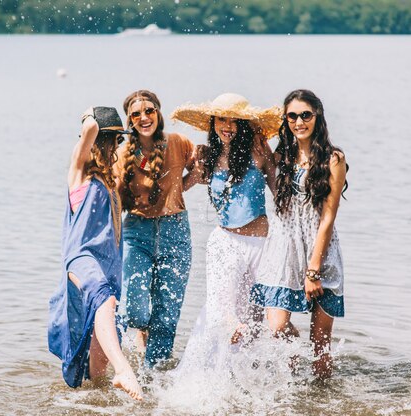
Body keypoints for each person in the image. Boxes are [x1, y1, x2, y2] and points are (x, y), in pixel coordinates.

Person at [170, 92, 281, 373]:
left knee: (255, 320)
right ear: (213, 123)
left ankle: (245, 378)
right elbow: (179, 188)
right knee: (223, 311)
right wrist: (178, 162)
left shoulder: (259, 149)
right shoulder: (207, 157)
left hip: (261, 244)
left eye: (234, 120)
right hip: (225, 242)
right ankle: (210, 373)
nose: (227, 126)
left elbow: (280, 194)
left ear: (244, 125)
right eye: (221, 119)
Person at [250, 89, 348, 379]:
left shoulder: (333, 159)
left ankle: (321, 400)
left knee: (320, 346)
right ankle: (292, 385)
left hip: (319, 252)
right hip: (284, 249)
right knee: (277, 326)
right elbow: (278, 193)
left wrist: (313, 270)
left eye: (305, 115)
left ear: (317, 117)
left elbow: (328, 217)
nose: (299, 121)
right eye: (292, 116)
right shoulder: (282, 155)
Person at [48, 106, 143, 400]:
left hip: (109, 266)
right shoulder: (78, 174)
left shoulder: (109, 182)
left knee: (97, 361)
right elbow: (89, 131)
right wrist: (90, 117)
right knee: (103, 298)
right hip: (82, 260)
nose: (114, 148)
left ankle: (95, 397)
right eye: (112, 141)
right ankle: (124, 370)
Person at [114, 90, 195, 368]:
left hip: (176, 230)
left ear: (158, 112)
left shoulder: (178, 142)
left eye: (149, 110)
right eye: (136, 114)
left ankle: (152, 380)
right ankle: (141, 334)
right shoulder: (123, 152)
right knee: (135, 310)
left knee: (167, 313)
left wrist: (183, 186)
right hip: (137, 232)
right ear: (129, 119)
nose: (144, 117)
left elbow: (202, 167)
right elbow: (113, 199)